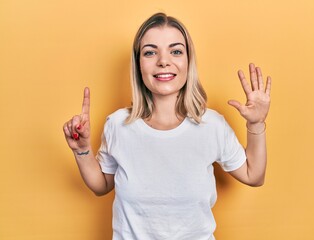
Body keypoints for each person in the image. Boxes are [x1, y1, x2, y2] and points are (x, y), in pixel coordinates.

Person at [63, 12, 271, 240]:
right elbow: (101, 185)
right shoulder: (118, 125)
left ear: (188, 61)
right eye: (150, 52)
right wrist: (81, 150)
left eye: (176, 51)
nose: (163, 61)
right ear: (138, 64)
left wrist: (256, 123)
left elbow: (254, 175)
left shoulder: (212, 126)